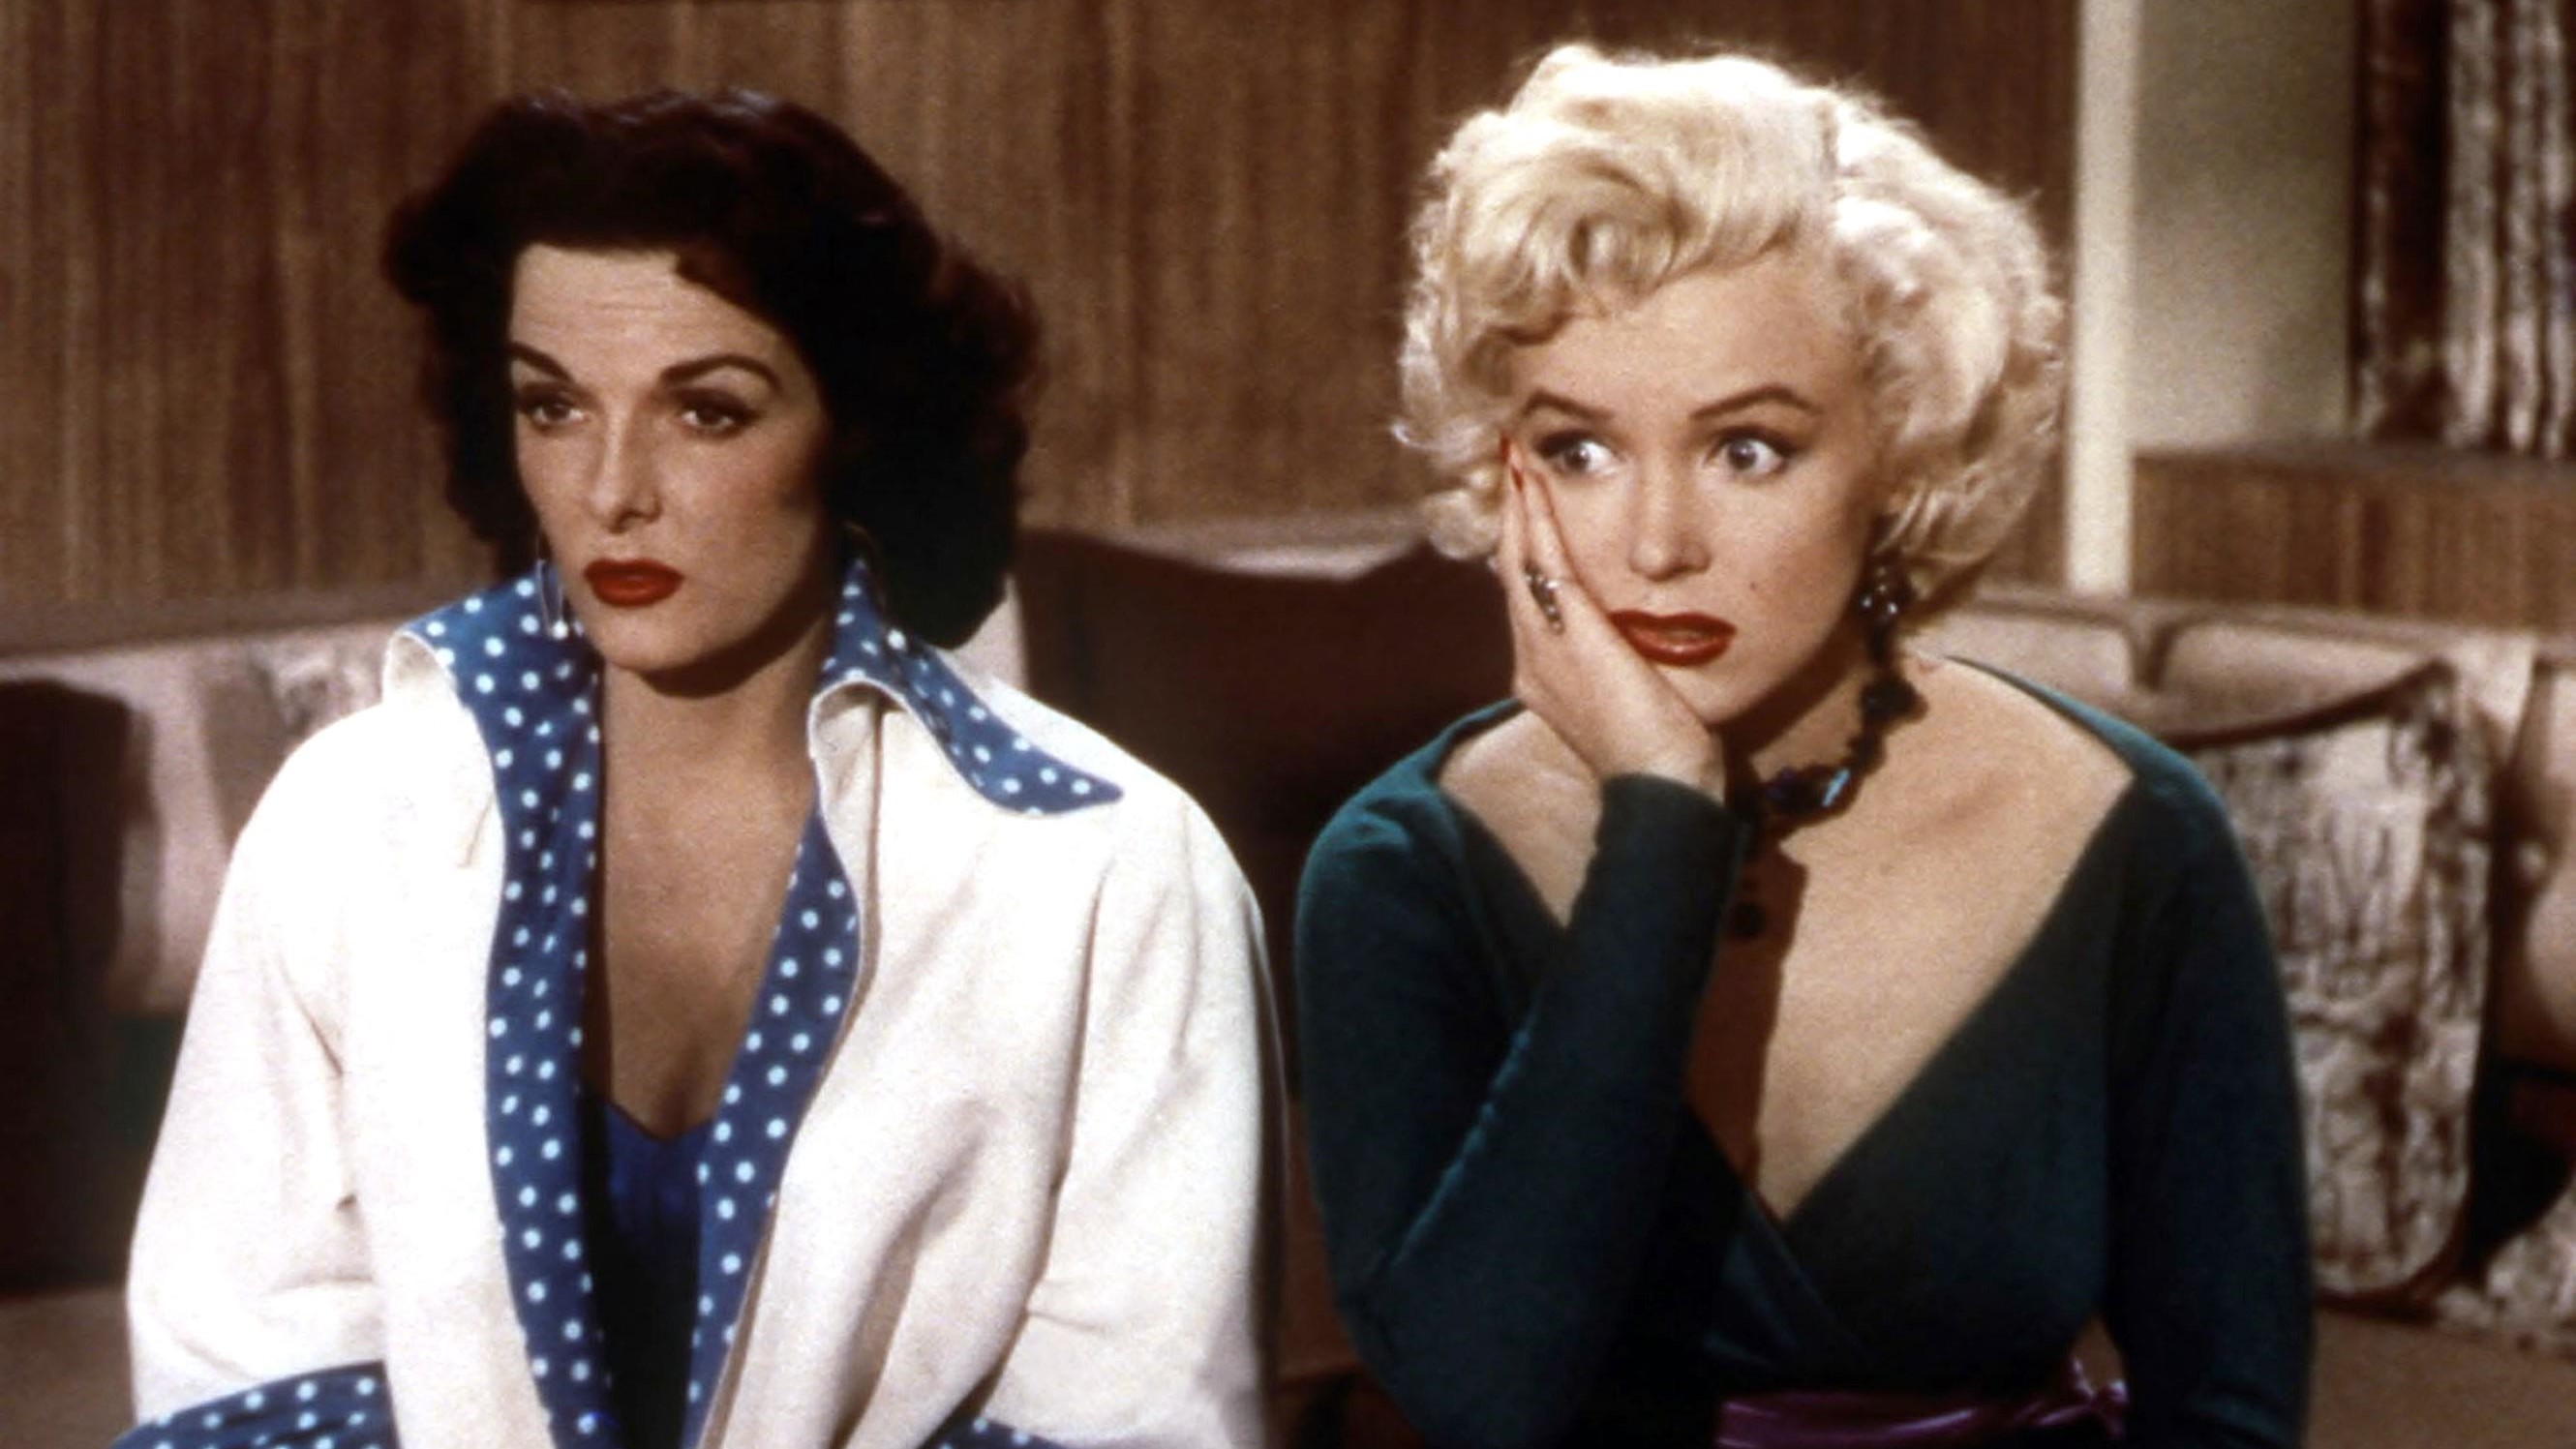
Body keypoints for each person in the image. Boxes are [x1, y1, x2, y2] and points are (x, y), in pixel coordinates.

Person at [117, 89, 1269, 1449]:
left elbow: (1133, 1421)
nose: (613, 489)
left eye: (707, 413)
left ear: (853, 426)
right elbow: (244, 1382)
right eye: (554, 405)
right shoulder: (349, 823)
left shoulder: (1108, 868)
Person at [1294, 44, 2310, 1449]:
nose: (1657, 545)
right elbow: (1479, 1399)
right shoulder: (1401, 870)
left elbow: (2231, 1412)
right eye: (1581, 450)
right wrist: (1658, 822)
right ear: (1501, 470)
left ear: (1900, 455)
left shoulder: (2125, 828)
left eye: (1748, 450)